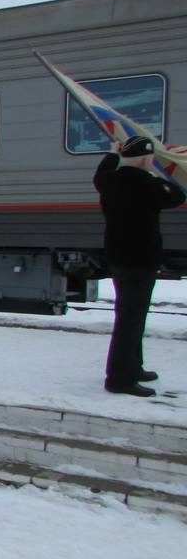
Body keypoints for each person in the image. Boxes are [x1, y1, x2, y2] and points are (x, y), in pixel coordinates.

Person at [94, 135, 185, 397]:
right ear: (146, 158)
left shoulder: (108, 181)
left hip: (118, 258)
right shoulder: (149, 185)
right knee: (131, 320)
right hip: (141, 261)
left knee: (129, 316)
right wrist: (161, 173)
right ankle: (119, 379)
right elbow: (178, 195)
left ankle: (134, 367)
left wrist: (113, 153)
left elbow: (103, 171)